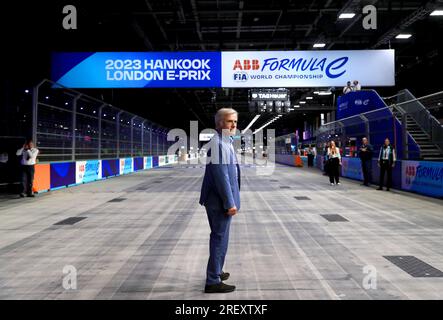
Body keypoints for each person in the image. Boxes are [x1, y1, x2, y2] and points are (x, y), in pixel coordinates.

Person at [199, 108, 240, 294]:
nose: (234, 125)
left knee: (222, 237)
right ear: (219, 123)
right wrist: (229, 202)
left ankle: (217, 271)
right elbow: (220, 176)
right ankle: (212, 280)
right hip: (219, 200)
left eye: (235, 122)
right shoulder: (217, 144)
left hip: (221, 199)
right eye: (230, 121)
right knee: (219, 237)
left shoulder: (226, 141)